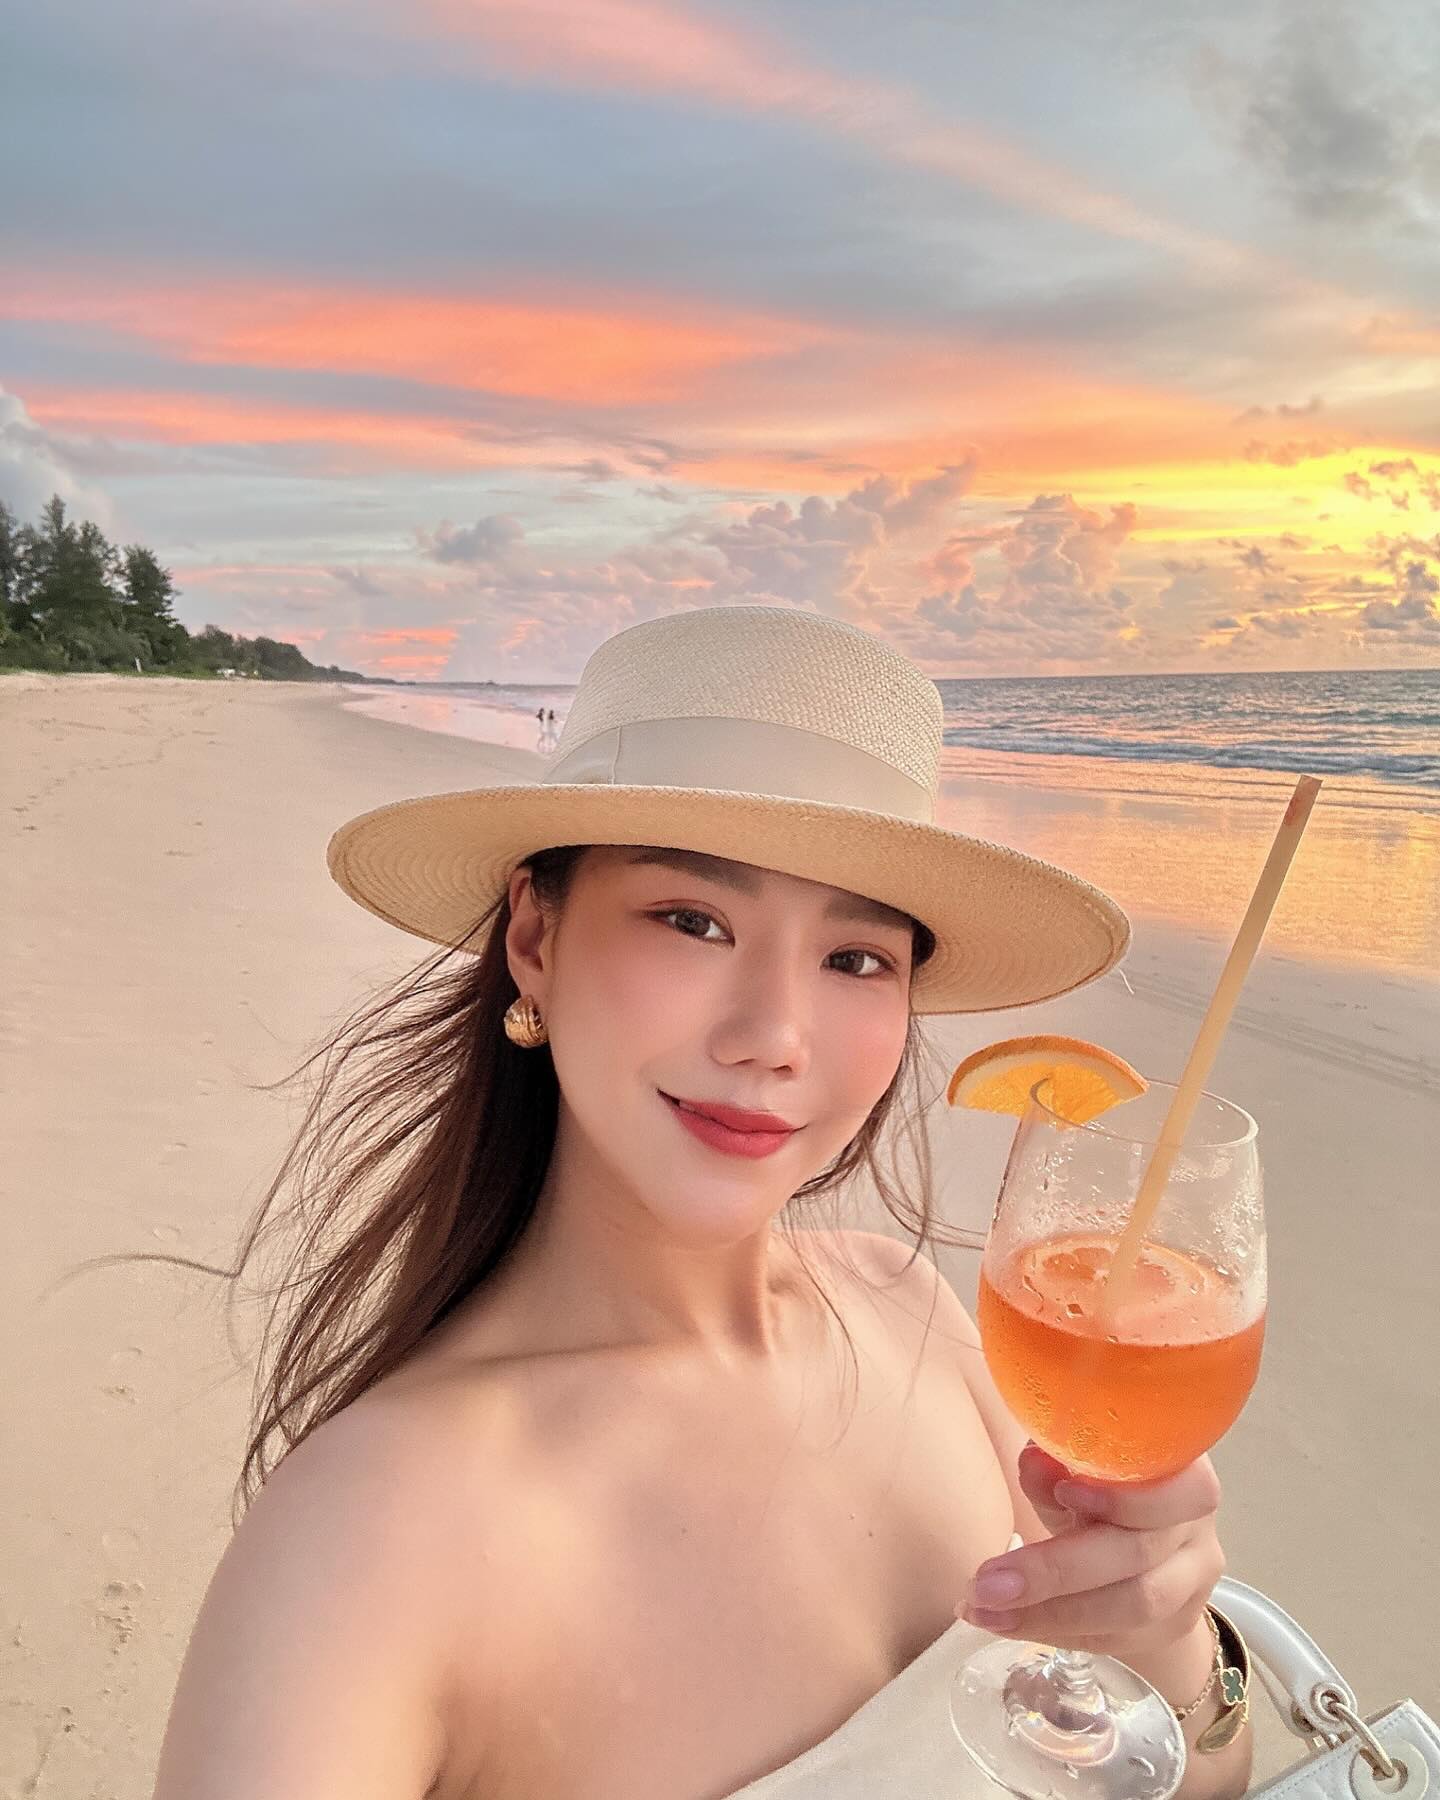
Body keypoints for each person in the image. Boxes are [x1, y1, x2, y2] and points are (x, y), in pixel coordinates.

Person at [152, 607, 1250, 1800]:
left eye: (856, 959)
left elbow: (1198, 1777)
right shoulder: (373, 1535)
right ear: (535, 934)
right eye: (694, 922)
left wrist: (1167, 1649)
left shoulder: (915, 1311)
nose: (774, 1037)